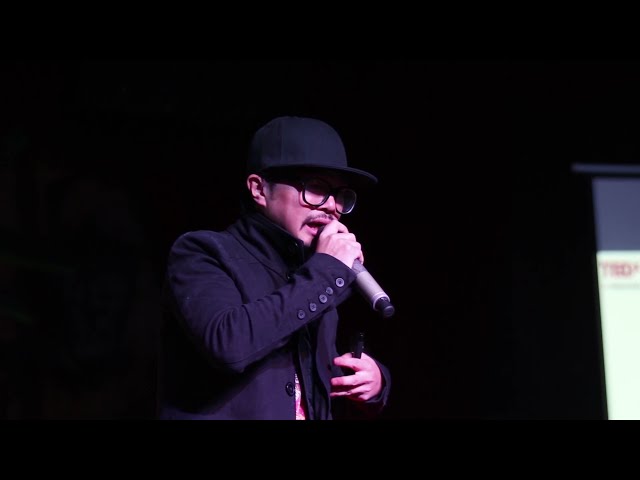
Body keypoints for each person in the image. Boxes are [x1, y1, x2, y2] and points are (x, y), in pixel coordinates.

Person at [157, 116, 391, 420]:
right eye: (316, 188)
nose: (331, 206)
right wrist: (325, 271)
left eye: (341, 196)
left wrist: (374, 381)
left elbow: (296, 378)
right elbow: (229, 345)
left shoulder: (312, 270)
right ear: (259, 189)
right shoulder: (202, 252)